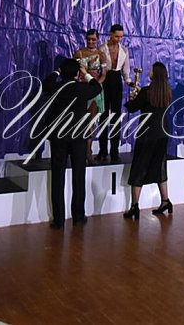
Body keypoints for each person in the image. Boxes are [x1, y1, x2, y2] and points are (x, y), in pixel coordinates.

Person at [45, 58, 103, 228]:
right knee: (79, 176)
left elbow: (46, 82)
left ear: (61, 73)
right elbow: (97, 87)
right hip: (78, 136)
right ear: (77, 73)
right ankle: (78, 216)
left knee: (58, 177)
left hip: (59, 136)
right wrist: (86, 74)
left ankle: (58, 220)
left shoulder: (56, 87)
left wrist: (57, 71)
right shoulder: (82, 88)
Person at [124, 62, 174, 219]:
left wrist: (132, 97)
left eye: (152, 70)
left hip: (147, 134)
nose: (149, 71)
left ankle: (134, 206)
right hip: (163, 133)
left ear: (155, 74)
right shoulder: (167, 92)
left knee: (139, 168)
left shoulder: (147, 92)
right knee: (160, 166)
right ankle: (165, 201)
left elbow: (132, 107)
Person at [98, 24, 134, 162]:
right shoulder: (101, 49)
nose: (119, 39)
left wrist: (129, 82)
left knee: (116, 117)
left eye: (121, 37)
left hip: (117, 81)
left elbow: (126, 71)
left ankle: (114, 151)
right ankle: (102, 150)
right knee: (103, 116)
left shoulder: (124, 50)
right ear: (111, 34)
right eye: (116, 36)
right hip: (104, 80)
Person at [74, 29, 108, 164]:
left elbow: (104, 74)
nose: (91, 42)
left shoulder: (101, 55)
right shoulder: (79, 53)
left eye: (93, 39)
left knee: (91, 122)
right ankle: (80, 150)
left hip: (94, 90)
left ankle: (88, 150)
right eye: (89, 39)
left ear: (97, 39)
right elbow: (75, 73)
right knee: (80, 120)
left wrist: (97, 85)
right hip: (81, 88)